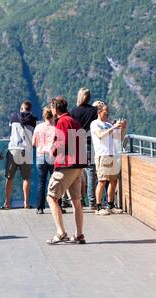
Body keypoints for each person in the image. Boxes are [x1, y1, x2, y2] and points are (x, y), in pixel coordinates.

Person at [46, 96, 87, 245]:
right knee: (76, 201)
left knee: (51, 197)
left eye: (52, 108)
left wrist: (53, 151)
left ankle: (60, 232)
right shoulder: (74, 121)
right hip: (78, 165)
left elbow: (61, 142)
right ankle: (79, 234)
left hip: (66, 165)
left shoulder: (62, 121)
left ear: (55, 109)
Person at [90, 101, 126, 215]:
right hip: (102, 155)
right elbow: (100, 135)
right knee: (102, 181)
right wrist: (114, 127)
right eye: (106, 111)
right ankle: (99, 207)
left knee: (113, 180)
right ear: (99, 112)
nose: (108, 114)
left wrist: (123, 128)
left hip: (112, 154)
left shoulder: (109, 124)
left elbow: (119, 139)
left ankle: (111, 205)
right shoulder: (95, 124)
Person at [2, 100, 37, 209]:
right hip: (26, 150)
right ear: (30, 110)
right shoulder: (33, 120)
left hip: (13, 149)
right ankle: (26, 203)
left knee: (9, 177)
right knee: (26, 178)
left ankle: (7, 203)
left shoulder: (13, 117)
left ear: (21, 108)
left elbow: (10, 129)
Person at [70, 87, 98, 209]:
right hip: (90, 144)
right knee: (91, 172)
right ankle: (92, 202)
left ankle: (78, 201)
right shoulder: (94, 111)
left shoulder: (74, 111)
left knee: (77, 174)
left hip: (77, 144)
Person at [32, 107, 56, 214]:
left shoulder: (38, 127)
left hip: (40, 156)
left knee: (41, 182)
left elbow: (33, 143)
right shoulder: (56, 128)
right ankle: (57, 206)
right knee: (55, 182)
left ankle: (40, 208)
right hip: (52, 156)